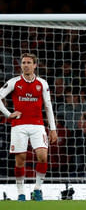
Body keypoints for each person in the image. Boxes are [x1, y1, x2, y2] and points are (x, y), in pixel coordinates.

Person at [0, 53, 58, 201]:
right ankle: (20, 193)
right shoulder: (14, 82)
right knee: (20, 160)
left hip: (38, 125)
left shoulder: (42, 83)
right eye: (24, 62)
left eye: (29, 62)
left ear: (35, 65)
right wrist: (8, 114)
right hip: (19, 125)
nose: (25, 65)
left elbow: (48, 106)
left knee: (43, 157)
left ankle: (37, 190)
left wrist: (53, 129)